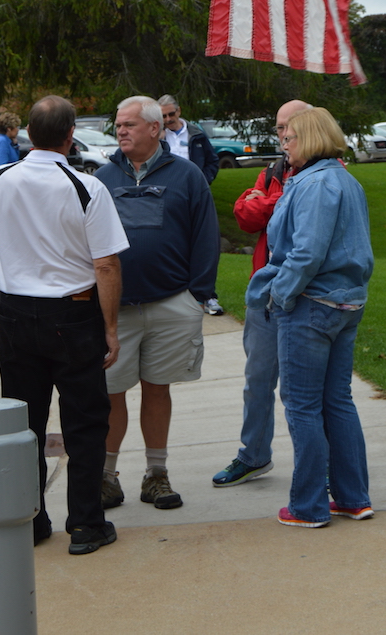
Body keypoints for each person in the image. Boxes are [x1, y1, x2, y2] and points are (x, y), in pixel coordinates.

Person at [0, 94, 128, 556]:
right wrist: (111, 328)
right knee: (84, 421)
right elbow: (107, 264)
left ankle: (31, 519)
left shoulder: (0, 178)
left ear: (28, 134)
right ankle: (85, 524)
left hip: (16, 313)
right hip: (73, 313)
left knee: (26, 422)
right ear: (70, 134)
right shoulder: (86, 187)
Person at [246, 107, 374, 529]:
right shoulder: (345, 180)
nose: (284, 145)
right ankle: (353, 498)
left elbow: (306, 252)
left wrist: (280, 295)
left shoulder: (316, 184)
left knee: (302, 406)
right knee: (336, 401)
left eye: (290, 138)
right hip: (345, 303)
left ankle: (309, 506)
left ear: (311, 138)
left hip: (311, 304)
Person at [95, 96, 220, 511]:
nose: (121, 131)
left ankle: (157, 474)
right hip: (117, 312)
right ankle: (107, 477)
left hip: (172, 304)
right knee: (112, 393)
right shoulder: (102, 179)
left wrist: (197, 295)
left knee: (158, 389)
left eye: (129, 124)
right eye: (118, 126)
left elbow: (205, 237)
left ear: (155, 129)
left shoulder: (187, 176)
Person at [212, 100, 311, 487]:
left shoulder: (324, 172)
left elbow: (297, 220)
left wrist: (266, 201)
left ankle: (316, 467)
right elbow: (245, 216)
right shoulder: (273, 171)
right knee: (257, 381)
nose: (284, 134)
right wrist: (264, 201)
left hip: (305, 297)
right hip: (265, 295)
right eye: (279, 127)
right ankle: (253, 455)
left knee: (302, 391)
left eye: (291, 126)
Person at [158, 93, 223, 316]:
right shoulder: (158, 136)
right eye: (163, 115)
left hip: (195, 193)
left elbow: (213, 161)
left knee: (203, 244)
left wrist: (204, 181)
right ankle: (174, 293)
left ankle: (208, 295)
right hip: (167, 196)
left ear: (179, 111)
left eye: (171, 114)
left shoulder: (196, 133)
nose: (167, 119)